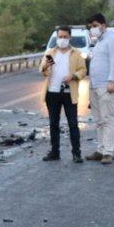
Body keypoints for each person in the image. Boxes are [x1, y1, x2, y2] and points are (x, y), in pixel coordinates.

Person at [40, 25, 87, 163]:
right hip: (52, 92)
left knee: (73, 124)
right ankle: (55, 152)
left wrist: (73, 76)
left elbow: (83, 71)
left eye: (65, 37)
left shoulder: (76, 53)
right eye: (60, 37)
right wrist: (45, 67)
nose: (62, 39)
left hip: (69, 93)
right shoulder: (50, 53)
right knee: (53, 124)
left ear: (70, 37)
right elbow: (42, 71)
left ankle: (76, 153)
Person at [85, 12, 114, 164]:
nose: (92, 29)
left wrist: (112, 81)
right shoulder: (99, 42)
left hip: (106, 86)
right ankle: (100, 150)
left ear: (103, 25)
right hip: (95, 86)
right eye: (91, 27)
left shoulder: (113, 40)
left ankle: (108, 152)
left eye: (95, 26)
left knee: (107, 118)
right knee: (99, 120)